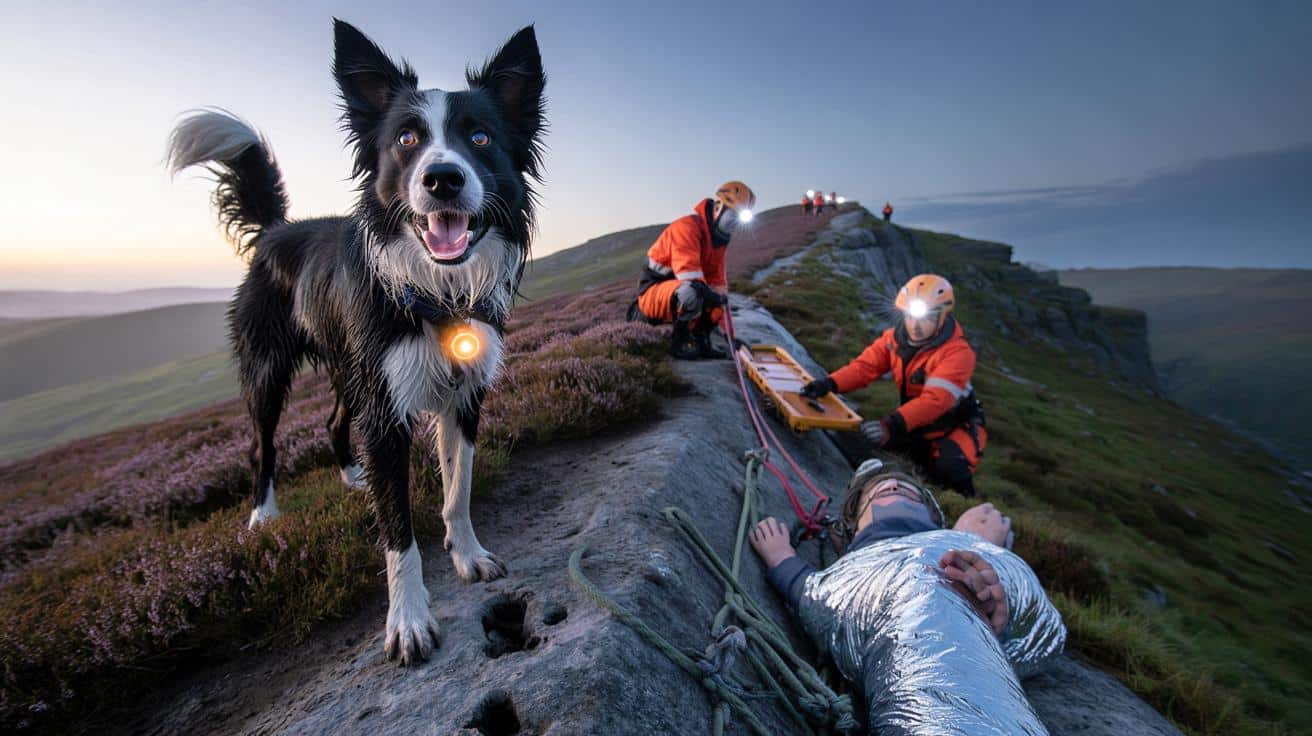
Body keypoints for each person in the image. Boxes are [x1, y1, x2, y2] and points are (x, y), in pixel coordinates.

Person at [749, 459, 1066, 735]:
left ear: (934, 518)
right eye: (876, 490)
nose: (891, 486)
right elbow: (821, 598)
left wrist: (988, 568)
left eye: (905, 488)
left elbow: (1048, 633)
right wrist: (781, 559)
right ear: (847, 532)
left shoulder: (963, 557)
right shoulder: (858, 570)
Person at [800, 274, 986, 496]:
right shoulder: (893, 340)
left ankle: (964, 512)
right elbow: (864, 367)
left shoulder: (958, 353)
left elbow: (936, 401)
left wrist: (890, 425)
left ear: (942, 317)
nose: (915, 326)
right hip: (914, 424)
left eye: (925, 318)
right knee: (868, 449)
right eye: (909, 316)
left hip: (953, 429)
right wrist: (829, 383)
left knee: (950, 473)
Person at [629, 181, 756, 359]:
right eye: (732, 217)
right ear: (718, 208)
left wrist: (730, 338)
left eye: (737, 220)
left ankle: (701, 340)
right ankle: (679, 343)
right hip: (652, 294)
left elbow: (719, 287)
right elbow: (690, 277)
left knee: (719, 299)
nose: (733, 225)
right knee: (692, 292)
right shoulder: (687, 227)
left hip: (675, 292)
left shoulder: (718, 242)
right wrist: (712, 297)